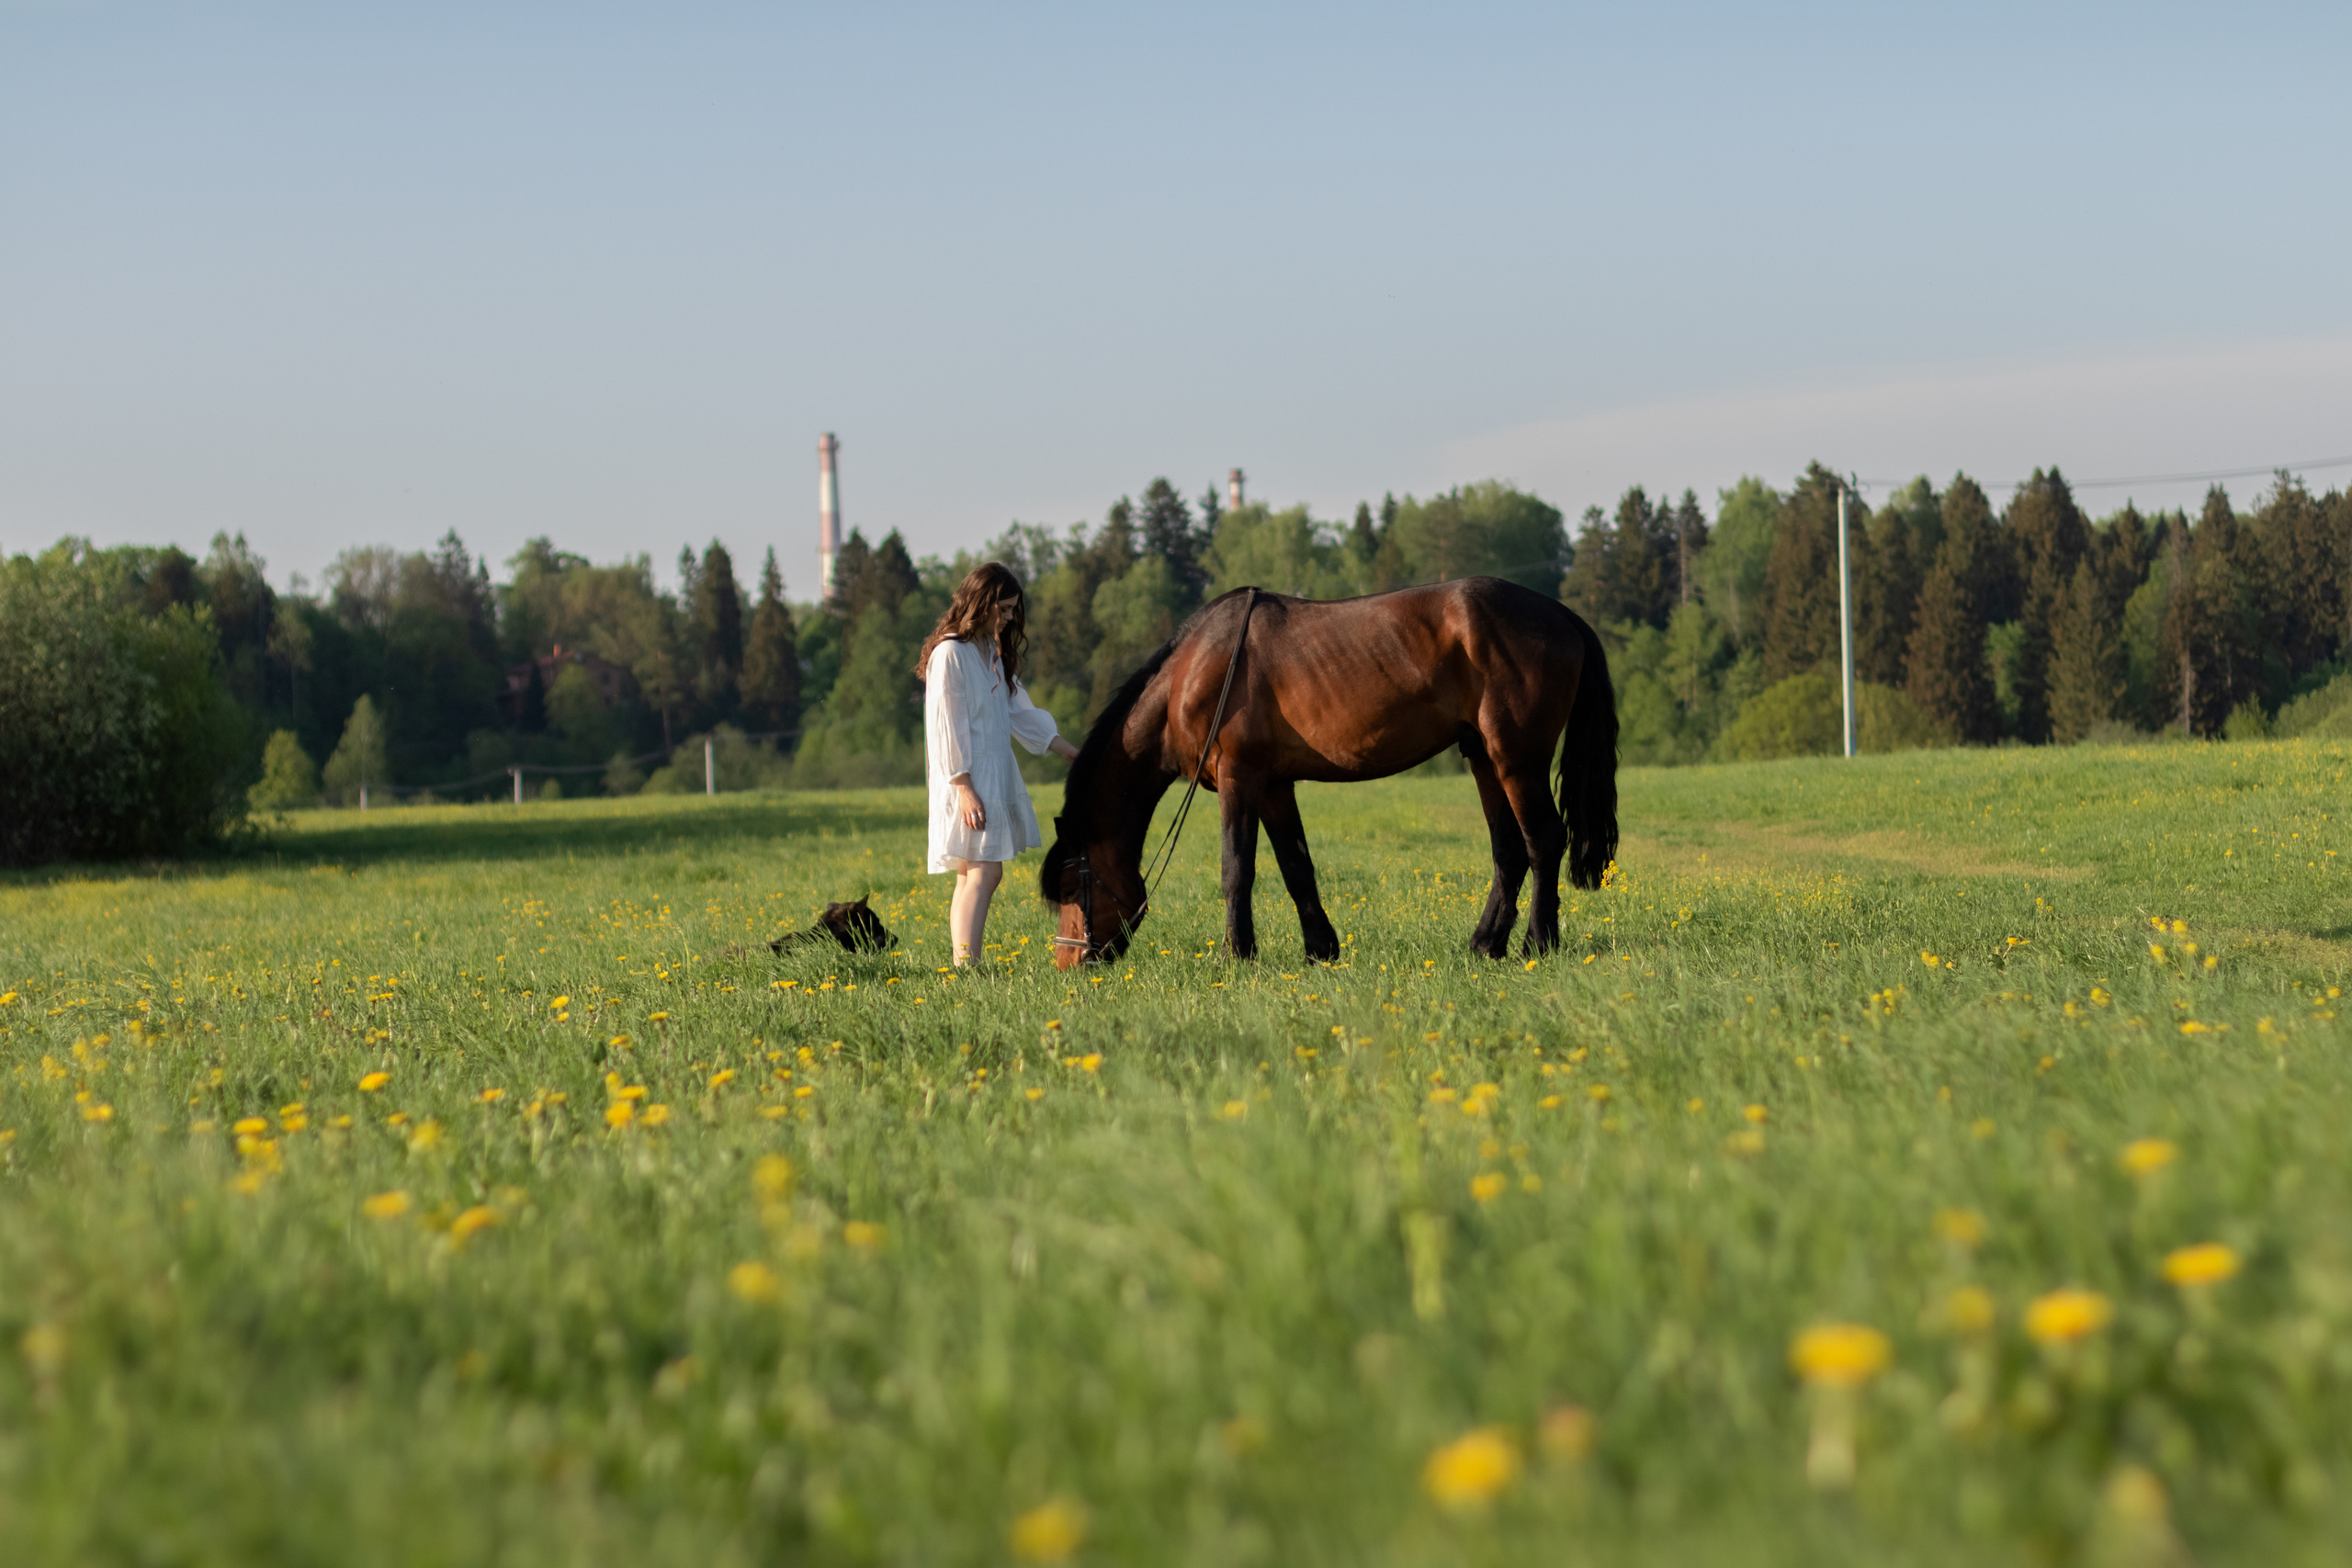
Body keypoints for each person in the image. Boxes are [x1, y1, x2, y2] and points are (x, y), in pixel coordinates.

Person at [916, 562, 1080, 966]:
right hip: (967, 778)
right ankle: (966, 967)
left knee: (973, 874)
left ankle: (963, 965)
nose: (1008, 618)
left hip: (990, 773)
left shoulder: (991, 653)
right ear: (981, 602)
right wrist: (963, 785)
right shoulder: (950, 653)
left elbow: (1020, 714)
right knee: (985, 873)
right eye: (1003, 609)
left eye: (1011, 611)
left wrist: (1071, 752)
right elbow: (945, 726)